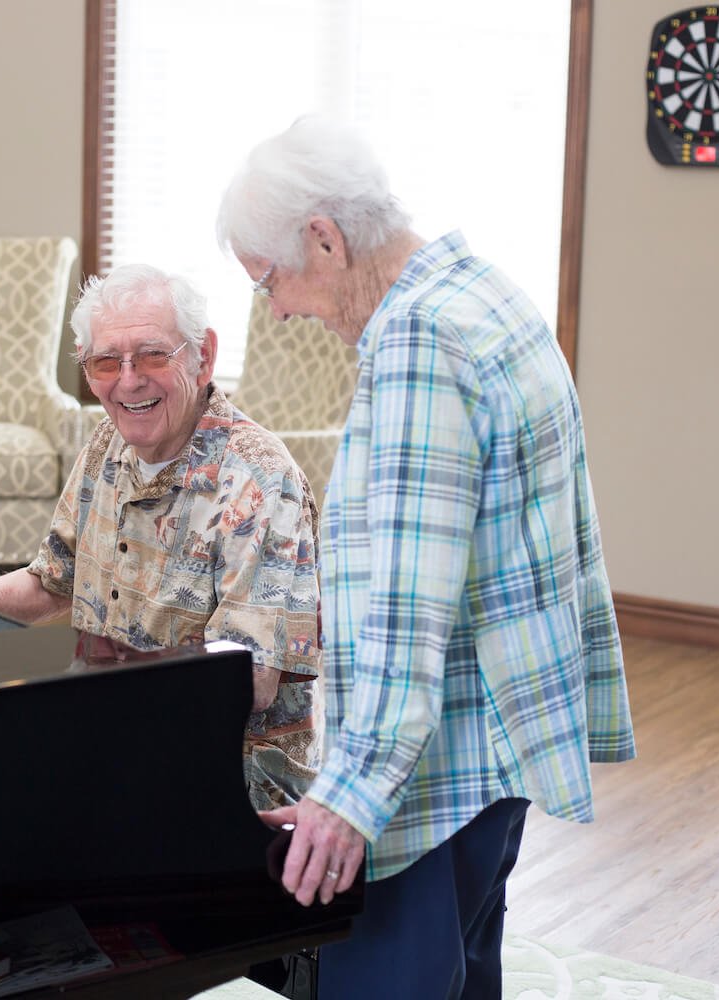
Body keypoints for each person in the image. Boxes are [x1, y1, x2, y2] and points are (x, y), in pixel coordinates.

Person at [215, 115, 636, 997]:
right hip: (501, 744)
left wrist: (346, 800)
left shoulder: (417, 346)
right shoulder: (484, 291)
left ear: (323, 240)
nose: (280, 310)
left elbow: (405, 613)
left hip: (429, 775)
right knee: (466, 976)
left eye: (271, 282)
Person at [0, 263, 323, 810]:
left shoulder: (258, 480)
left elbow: (250, 678)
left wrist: (90, 698)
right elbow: (51, 583)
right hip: (113, 744)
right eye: (106, 362)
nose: (128, 381)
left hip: (230, 782)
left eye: (154, 355)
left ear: (204, 358)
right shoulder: (109, 441)